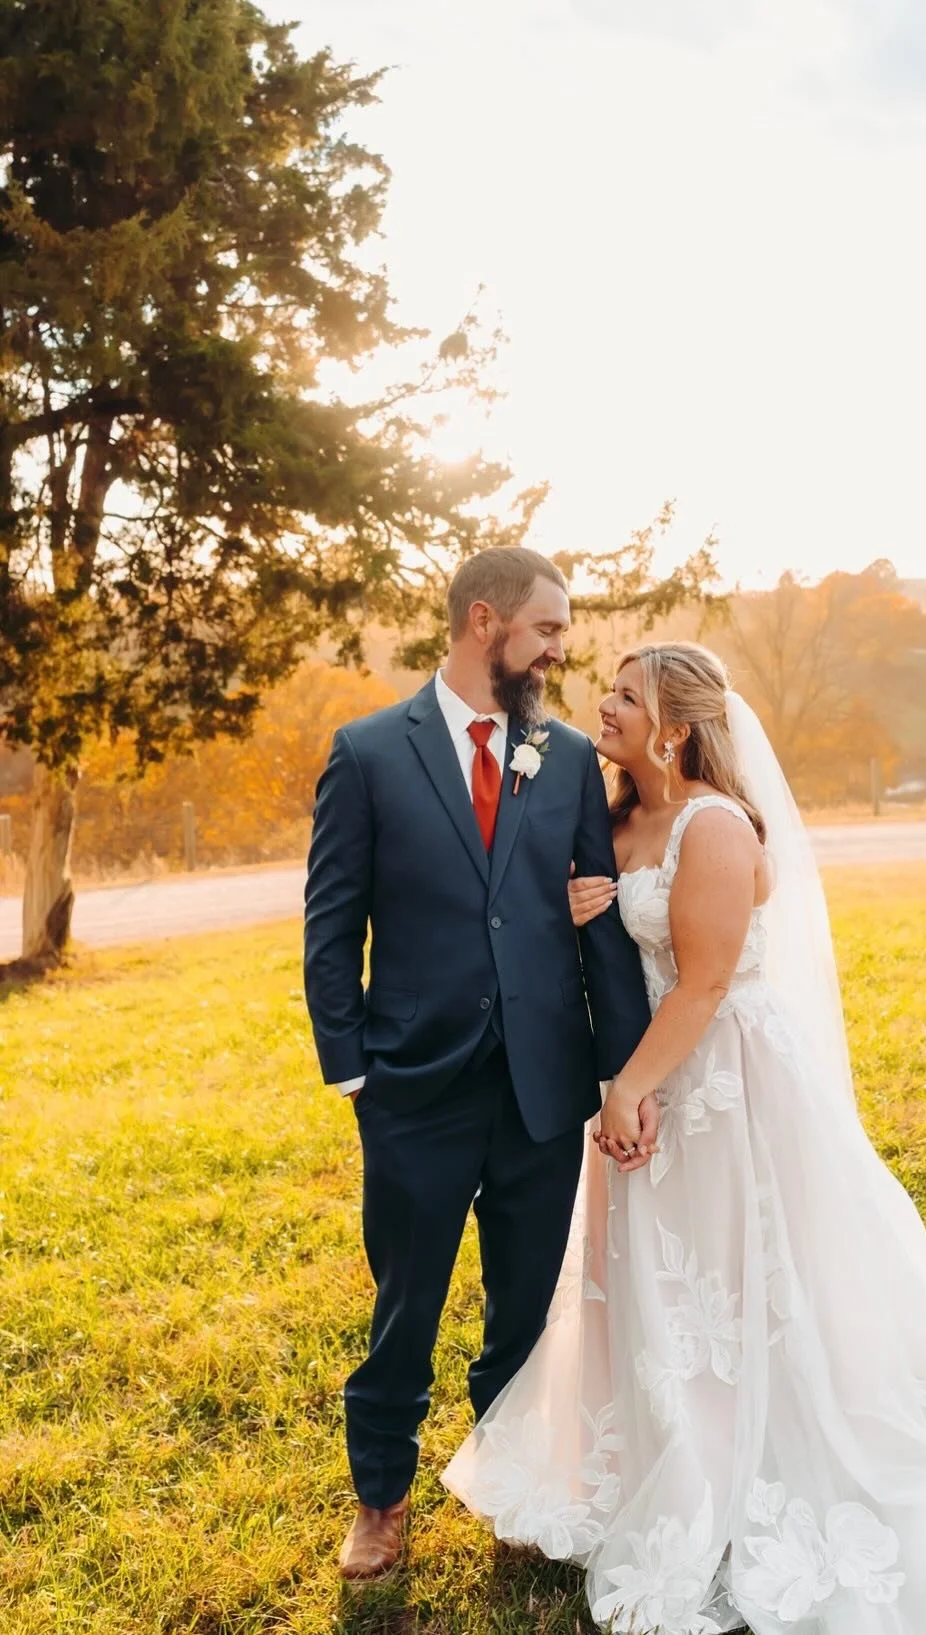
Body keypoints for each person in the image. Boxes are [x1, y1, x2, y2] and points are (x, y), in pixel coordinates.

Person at [444, 640, 926, 1635]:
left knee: (753, 1284)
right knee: (661, 1281)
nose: (604, 706)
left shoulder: (716, 828)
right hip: (649, 1077)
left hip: (723, 1079)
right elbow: (583, 939)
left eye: (626, 696)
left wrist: (629, 1092)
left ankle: (756, 1457)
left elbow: (706, 984)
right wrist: (567, 920)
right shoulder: (610, 816)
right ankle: (654, 1454)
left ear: (676, 726)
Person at [303, 547, 651, 1579]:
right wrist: (352, 1070)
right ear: (484, 620)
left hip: (545, 1085)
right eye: (548, 630)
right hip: (413, 1086)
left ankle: (511, 1491)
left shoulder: (572, 758)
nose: (560, 649)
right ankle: (381, 1500)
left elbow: (601, 930)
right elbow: (332, 928)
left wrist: (620, 1075)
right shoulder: (368, 753)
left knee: (523, 1313)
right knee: (404, 1310)